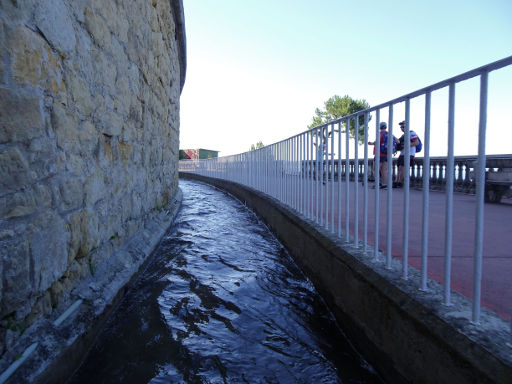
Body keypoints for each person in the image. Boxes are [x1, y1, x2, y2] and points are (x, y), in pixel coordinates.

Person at [368, 122, 397, 189]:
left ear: (379, 127)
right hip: (387, 154)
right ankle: (384, 184)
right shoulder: (390, 134)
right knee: (384, 170)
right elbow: (397, 141)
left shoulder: (380, 134)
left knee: (375, 169)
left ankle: (377, 184)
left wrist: (371, 143)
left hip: (379, 154)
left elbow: (377, 142)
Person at [393, 120, 420, 188]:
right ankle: (396, 181)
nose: (401, 128)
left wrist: (406, 146)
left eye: (403, 126)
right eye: (401, 127)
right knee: (399, 168)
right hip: (402, 154)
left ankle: (399, 182)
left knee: (403, 168)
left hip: (409, 154)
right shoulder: (403, 135)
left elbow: (416, 142)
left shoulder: (412, 133)